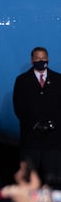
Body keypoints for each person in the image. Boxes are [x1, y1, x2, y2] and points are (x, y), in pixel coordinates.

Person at [12, 45, 61, 186]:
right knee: (28, 181)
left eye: (44, 58)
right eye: (38, 58)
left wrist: (53, 124)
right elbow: (19, 107)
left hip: (54, 142)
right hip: (30, 141)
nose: (41, 60)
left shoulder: (58, 80)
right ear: (32, 60)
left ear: (48, 59)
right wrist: (34, 124)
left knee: (54, 182)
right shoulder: (22, 80)